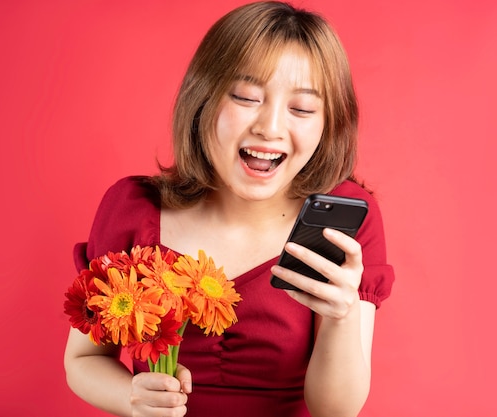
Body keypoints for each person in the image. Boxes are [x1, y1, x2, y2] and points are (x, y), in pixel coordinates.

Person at [63, 1, 395, 416]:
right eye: (245, 97)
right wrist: (133, 398)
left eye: (302, 109)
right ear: (202, 99)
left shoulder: (344, 222)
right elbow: (83, 360)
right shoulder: (131, 209)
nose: (270, 127)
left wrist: (342, 318)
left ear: (328, 123)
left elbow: (336, 410)